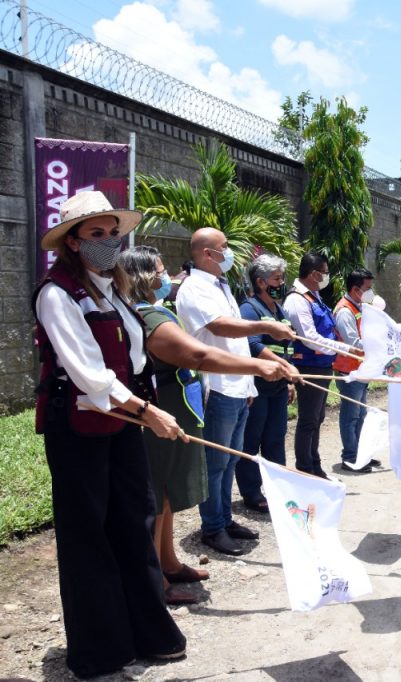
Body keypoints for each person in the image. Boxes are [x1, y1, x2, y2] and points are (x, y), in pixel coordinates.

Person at [33, 191, 186, 677]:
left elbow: (135, 359)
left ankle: (146, 630)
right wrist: (146, 410)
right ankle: (100, 648)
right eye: (95, 235)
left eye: (112, 233)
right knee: (88, 533)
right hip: (79, 425)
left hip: (123, 420)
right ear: (73, 242)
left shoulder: (113, 290)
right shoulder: (57, 293)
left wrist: (143, 408)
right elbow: (88, 373)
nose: (108, 242)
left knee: (134, 519)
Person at [117, 246, 292, 599]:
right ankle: (156, 583)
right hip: (160, 408)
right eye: (161, 271)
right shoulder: (147, 316)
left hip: (179, 406)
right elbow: (197, 354)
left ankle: (168, 561)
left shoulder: (158, 309)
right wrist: (258, 366)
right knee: (156, 494)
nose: (168, 278)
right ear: (142, 277)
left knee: (166, 494)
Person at [175, 228, 295, 556]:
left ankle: (225, 519)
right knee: (215, 463)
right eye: (224, 247)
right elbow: (220, 327)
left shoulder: (221, 285)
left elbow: (236, 341)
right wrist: (266, 326)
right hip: (217, 386)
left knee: (230, 460)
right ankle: (212, 527)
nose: (230, 253)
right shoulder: (195, 288)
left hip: (238, 386)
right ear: (207, 254)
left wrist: (248, 384)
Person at [237, 254, 296, 512]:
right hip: (259, 386)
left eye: (281, 277)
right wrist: (284, 366)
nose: (281, 282)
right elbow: (252, 344)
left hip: (279, 387)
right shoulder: (250, 309)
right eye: (277, 278)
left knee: (275, 437)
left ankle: (279, 486)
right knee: (252, 438)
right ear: (261, 282)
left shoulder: (278, 309)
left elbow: (286, 347)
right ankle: (251, 491)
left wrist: (289, 378)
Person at [284, 252, 349, 477]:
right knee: (309, 418)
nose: (326, 276)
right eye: (324, 272)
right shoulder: (297, 299)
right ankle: (306, 466)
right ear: (313, 274)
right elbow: (309, 338)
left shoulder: (314, 295)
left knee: (318, 417)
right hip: (309, 365)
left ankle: (314, 461)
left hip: (322, 364)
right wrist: (343, 348)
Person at [334, 268, 379, 473]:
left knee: (361, 414)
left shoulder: (358, 306)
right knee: (351, 415)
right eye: (367, 288)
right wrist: (379, 343)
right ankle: (350, 458)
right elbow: (353, 342)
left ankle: (361, 454)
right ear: (355, 289)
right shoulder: (345, 311)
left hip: (361, 369)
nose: (370, 293)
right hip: (348, 372)